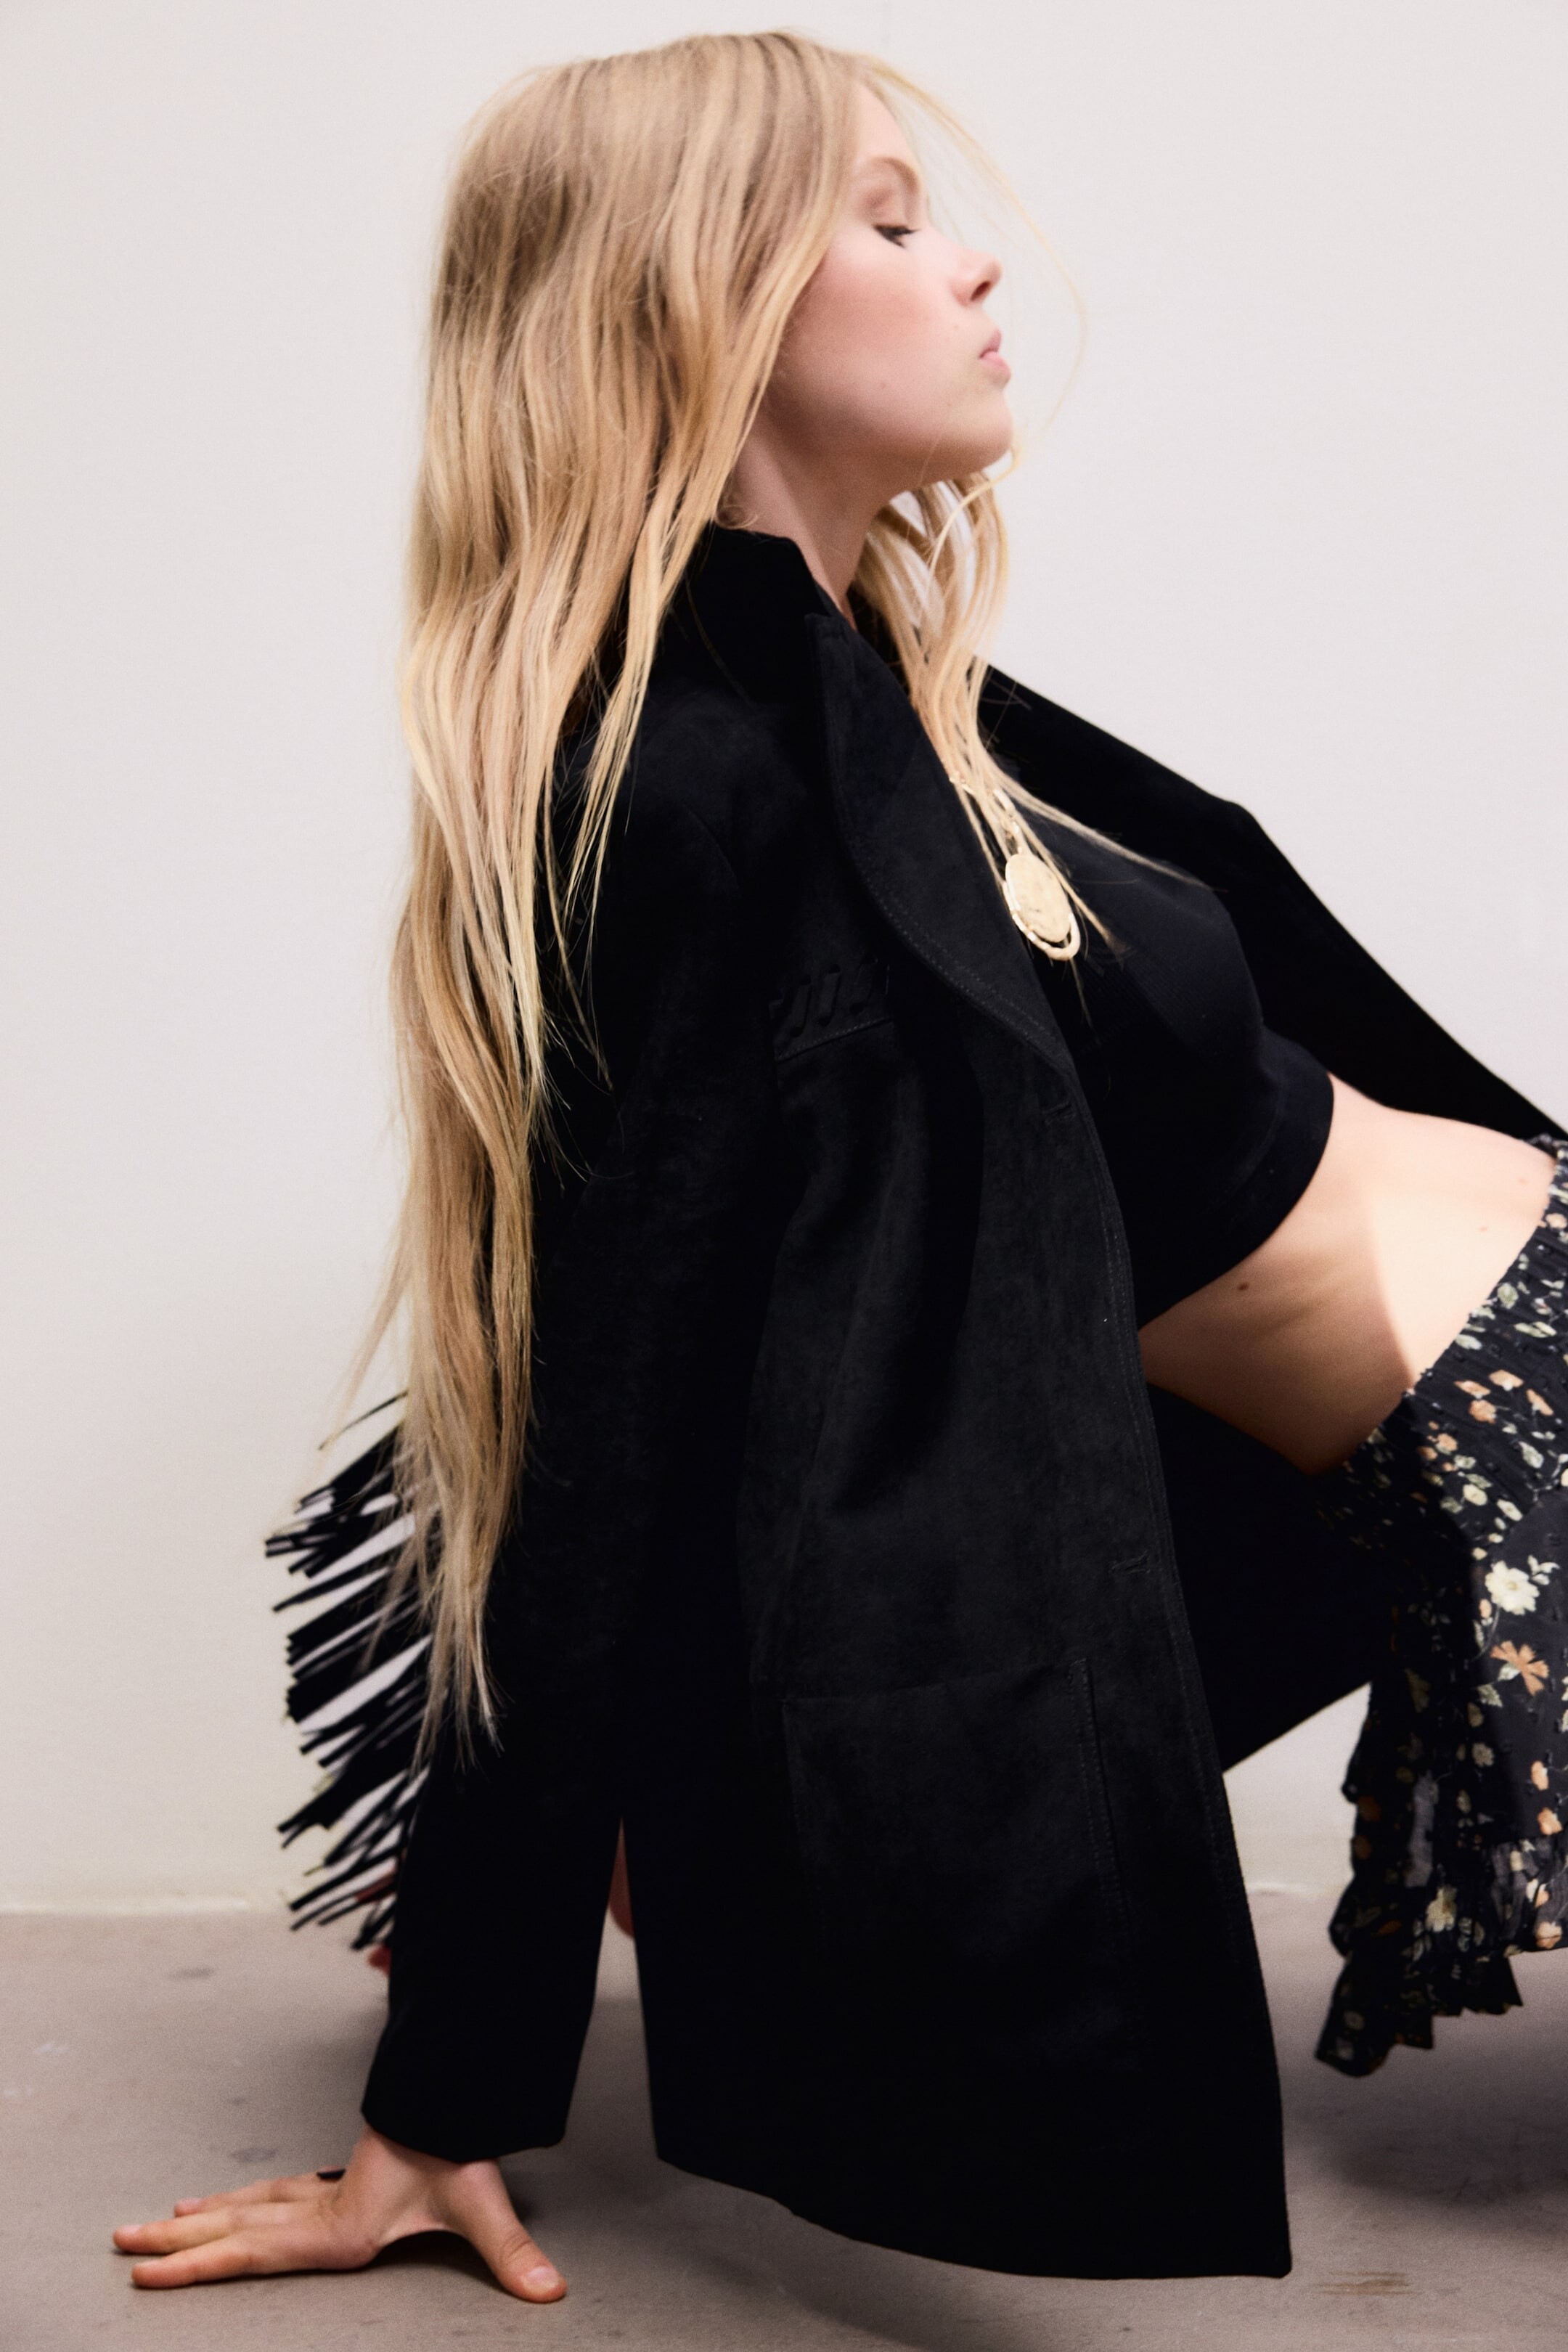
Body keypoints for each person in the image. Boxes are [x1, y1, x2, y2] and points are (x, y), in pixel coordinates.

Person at [115, 29, 1564, 2305]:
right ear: (692, 301)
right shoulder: (688, 790)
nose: (974, 265)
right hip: (1499, 1450)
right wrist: (453, 2078)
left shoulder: (886, 679)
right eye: (888, 221)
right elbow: (589, 1420)